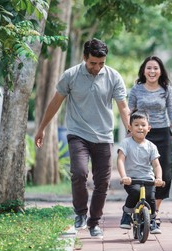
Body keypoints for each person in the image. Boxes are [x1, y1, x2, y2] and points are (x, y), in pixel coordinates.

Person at [34, 38, 130, 238]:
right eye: (93, 63)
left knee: (102, 182)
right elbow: (55, 103)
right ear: (84, 57)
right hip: (78, 133)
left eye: (101, 63)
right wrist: (42, 128)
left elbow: (123, 106)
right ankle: (80, 214)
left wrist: (129, 127)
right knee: (78, 173)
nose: (97, 67)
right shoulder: (71, 75)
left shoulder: (113, 76)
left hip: (103, 135)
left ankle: (94, 222)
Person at [128, 55, 172, 227]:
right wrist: (128, 135)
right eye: (149, 68)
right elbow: (129, 113)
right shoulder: (136, 90)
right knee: (140, 173)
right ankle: (138, 206)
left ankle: (154, 213)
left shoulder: (166, 89)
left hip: (163, 135)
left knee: (164, 174)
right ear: (143, 70)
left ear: (161, 71)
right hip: (141, 135)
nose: (152, 71)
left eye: (155, 68)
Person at [117, 109, 164, 234]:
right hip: (131, 179)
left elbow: (156, 165)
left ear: (149, 128)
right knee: (135, 192)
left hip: (147, 178)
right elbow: (120, 160)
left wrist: (158, 178)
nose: (140, 128)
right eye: (136, 125)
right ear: (129, 127)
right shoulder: (126, 143)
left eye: (143, 125)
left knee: (150, 197)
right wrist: (123, 177)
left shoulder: (151, 146)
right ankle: (127, 214)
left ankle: (152, 221)